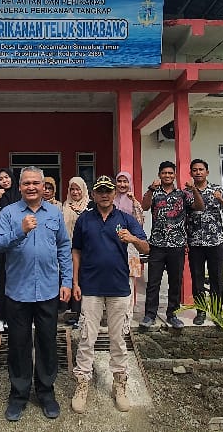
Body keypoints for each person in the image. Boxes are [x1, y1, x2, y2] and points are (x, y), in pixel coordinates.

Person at [0, 166, 73, 422]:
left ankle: (46, 392)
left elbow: (64, 247)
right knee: (18, 344)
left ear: (43, 186)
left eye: (35, 183)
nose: (31, 187)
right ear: (19, 187)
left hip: (48, 289)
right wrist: (20, 230)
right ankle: (18, 395)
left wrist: (67, 281)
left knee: (47, 343)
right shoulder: (8, 213)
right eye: (26, 183)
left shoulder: (55, 213)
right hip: (18, 291)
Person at [69, 176, 149, 413]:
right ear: (93, 195)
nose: (104, 195)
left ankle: (119, 384)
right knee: (86, 338)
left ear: (114, 194)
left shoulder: (125, 218)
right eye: (100, 191)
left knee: (118, 340)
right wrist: (75, 282)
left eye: (108, 191)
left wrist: (131, 238)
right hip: (91, 287)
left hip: (118, 287)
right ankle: (82, 383)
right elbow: (76, 251)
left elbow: (146, 247)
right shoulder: (85, 219)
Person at [140, 160, 204, 330]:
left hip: (177, 245)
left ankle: (172, 314)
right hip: (157, 245)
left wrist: (194, 190)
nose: (167, 176)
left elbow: (199, 206)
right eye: (164, 173)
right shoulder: (154, 193)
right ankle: (150, 314)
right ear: (159, 175)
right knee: (153, 282)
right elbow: (144, 206)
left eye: (170, 173)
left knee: (175, 282)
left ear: (174, 175)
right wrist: (150, 189)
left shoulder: (183, 194)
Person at [185, 159, 223, 325]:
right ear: (191, 173)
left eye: (201, 169)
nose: (198, 172)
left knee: (216, 278)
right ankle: (200, 312)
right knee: (197, 279)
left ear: (207, 172)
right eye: (195, 170)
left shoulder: (217, 189)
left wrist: (221, 200)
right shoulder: (186, 193)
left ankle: (216, 312)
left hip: (215, 241)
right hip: (195, 242)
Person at [0, 168, 21, 333]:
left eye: (7, 177)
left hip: (19, 244)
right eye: (1, 179)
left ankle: (13, 317)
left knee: (17, 280)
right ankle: (0, 317)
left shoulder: (21, 197)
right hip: (1, 245)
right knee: (2, 280)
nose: (4, 181)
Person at [61, 177, 90, 326]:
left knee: (83, 280)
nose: (75, 192)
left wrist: (82, 213)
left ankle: (84, 315)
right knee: (72, 278)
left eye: (78, 189)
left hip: (85, 250)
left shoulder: (90, 206)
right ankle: (75, 313)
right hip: (68, 249)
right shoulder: (66, 205)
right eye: (72, 189)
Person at [113, 171, 146, 298]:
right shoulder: (111, 200)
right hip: (113, 243)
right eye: (119, 181)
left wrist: (134, 201)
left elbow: (140, 222)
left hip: (131, 245)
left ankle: (129, 308)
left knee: (130, 280)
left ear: (130, 183)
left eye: (125, 181)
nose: (122, 184)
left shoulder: (133, 201)